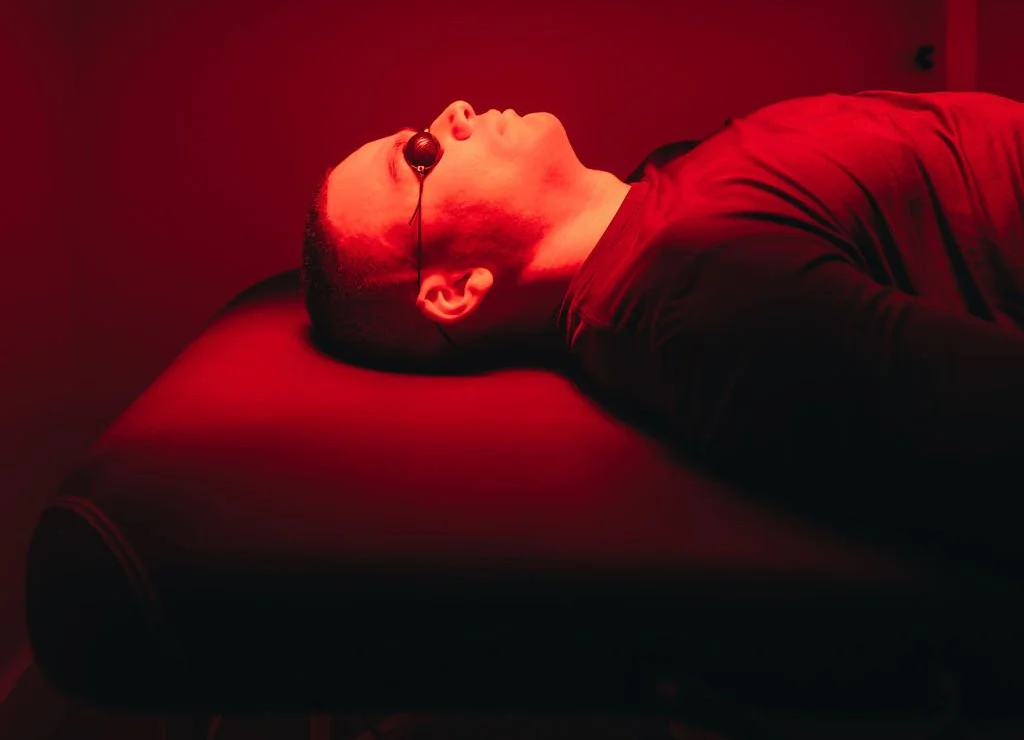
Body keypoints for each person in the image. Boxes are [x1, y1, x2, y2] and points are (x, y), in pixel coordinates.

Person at [302, 90, 1024, 569]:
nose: (453, 112)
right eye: (421, 155)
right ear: (456, 290)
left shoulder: (660, 201)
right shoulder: (697, 286)